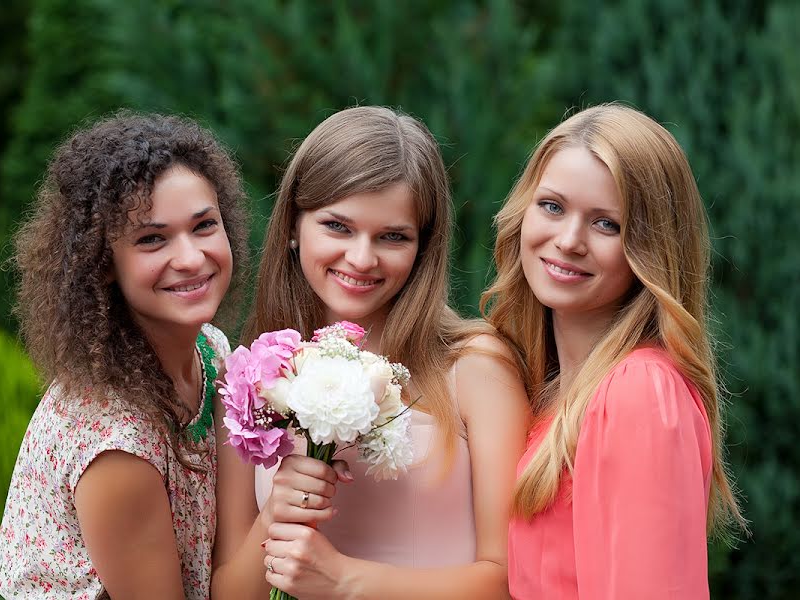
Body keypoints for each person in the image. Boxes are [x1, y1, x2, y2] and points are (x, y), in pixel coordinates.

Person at [0, 112, 335, 599]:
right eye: (153, 239)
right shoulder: (115, 442)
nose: (192, 257)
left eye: (203, 226)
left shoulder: (210, 353)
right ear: (104, 264)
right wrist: (280, 511)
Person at [245, 106, 530, 599]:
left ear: (423, 247)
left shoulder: (476, 367)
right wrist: (275, 513)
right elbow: (228, 591)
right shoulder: (260, 374)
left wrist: (346, 581)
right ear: (293, 225)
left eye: (392, 236)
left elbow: (513, 580)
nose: (361, 258)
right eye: (337, 226)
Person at [482, 103, 745, 599]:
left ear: (651, 247)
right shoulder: (551, 392)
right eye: (553, 206)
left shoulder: (642, 391)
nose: (568, 240)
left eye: (607, 224)